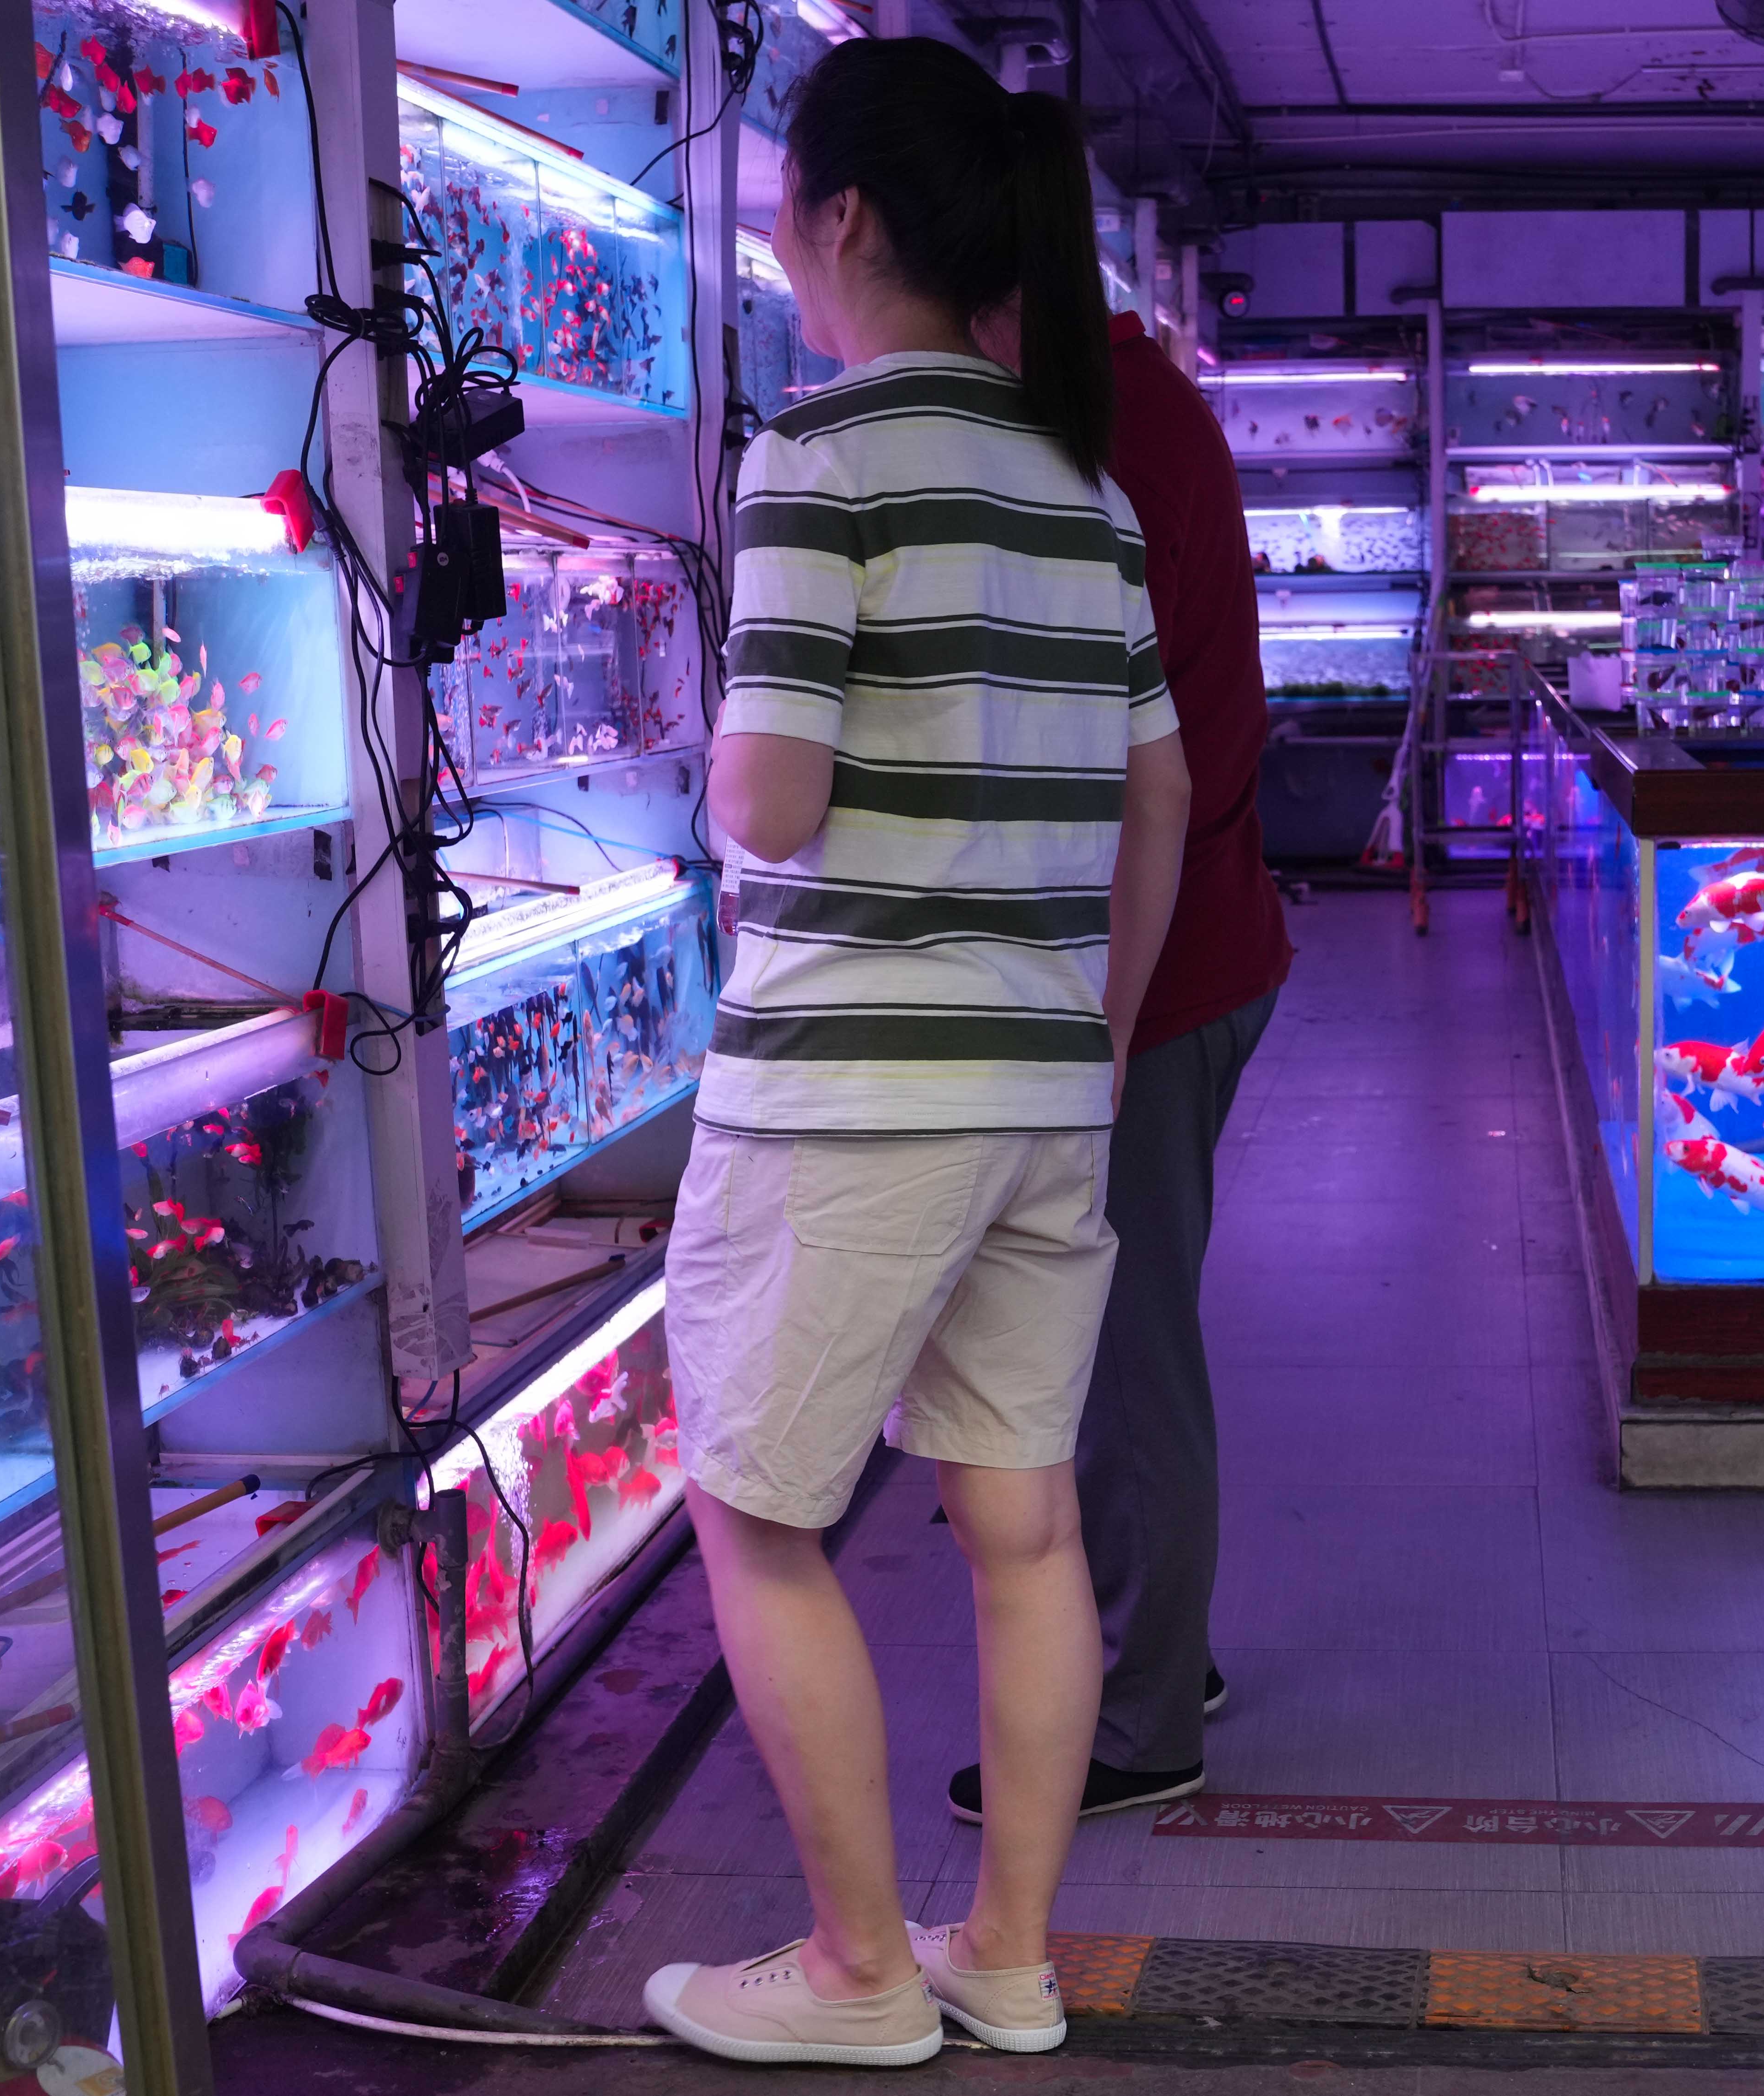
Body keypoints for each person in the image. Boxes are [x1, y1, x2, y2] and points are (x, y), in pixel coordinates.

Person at [641, 36, 1192, 2069]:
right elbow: (1160, 794)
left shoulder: (820, 460)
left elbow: (771, 800)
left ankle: (861, 1971)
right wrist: (1095, 1043)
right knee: (1022, 1524)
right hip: (1044, 1086)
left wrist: (711, 751)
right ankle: (1006, 1956)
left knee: (755, 1511)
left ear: (842, 214)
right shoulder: (1088, 495)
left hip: (855, 1092)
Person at [949, 291, 1294, 1829]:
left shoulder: (1103, 439)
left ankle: (1145, 1717)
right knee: (1120, 1340)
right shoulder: (1139, 402)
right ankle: (1161, 1647)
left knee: (1120, 1358)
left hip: (1148, 983)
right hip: (1188, 953)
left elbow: (1124, 766)